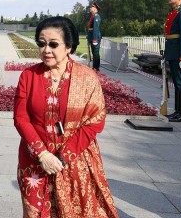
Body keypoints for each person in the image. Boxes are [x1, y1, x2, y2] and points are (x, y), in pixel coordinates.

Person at [14, 16, 118, 217]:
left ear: (69, 46)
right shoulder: (28, 76)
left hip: (75, 159)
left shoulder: (87, 77)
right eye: (41, 44)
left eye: (53, 44)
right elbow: (21, 118)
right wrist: (43, 154)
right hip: (35, 160)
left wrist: (63, 157)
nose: (46, 50)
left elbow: (95, 121)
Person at [87, 2, 102, 71]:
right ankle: (94, 67)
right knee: (94, 52)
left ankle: (96, 67)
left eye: (92, 7)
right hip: (92, 37)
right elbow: (90, 28)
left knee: (96, 53)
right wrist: (89, 38)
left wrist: (95, 39)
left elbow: (96, 28)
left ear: (95, 9)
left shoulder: (96, 16)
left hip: (95, 38)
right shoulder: (92, 17)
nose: (90, 8)